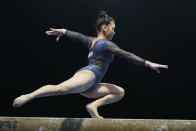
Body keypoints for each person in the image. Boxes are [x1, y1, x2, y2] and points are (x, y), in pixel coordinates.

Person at [13, 11, 168, 119]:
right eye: (113, 28)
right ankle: (28, 96)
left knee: (119, 92)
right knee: (60, 89)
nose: (114, 32)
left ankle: (92, 106)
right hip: (88, 75)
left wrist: (64, 31)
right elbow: (126, 55)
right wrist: (148, 63)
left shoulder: (91, 40)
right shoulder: (107, 44)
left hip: (92, 86)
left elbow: (78, 36)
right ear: (105, 27)